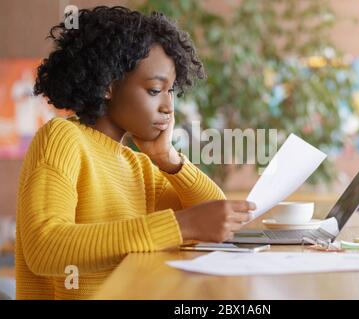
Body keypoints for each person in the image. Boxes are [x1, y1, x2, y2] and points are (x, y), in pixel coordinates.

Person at [16, 6, 255, 300]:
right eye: (155, 90)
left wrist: (169, 159)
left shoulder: (140, 165)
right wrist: (181, 224)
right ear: (107, 85)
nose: (168, 107)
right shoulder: (63, 138)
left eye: (171, 92)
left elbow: (218, 219)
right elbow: (45, 249)